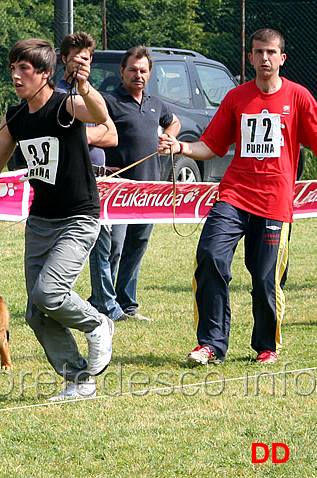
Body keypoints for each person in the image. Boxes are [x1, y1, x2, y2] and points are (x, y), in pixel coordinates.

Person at [0, 38, 114, 401]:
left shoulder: (66, 105)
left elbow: (99, 116)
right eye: (13, 69)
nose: (16, 76)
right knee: (37, 314)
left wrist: (84, 86)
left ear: (45, 74)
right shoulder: (15, 116)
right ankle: (80, 381)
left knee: (49, 294)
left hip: (78, 216)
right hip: (40, 221)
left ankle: (98, 323)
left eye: (25, 69)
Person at [158, 28, 317, 365]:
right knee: (210, 257)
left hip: (275, 203)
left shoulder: (299, 97)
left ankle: (266, 346)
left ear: (282, 58)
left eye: (271, 53)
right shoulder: (236, 98)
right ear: (250, 58)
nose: (265, 59)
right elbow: (212, 145)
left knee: (264, 278)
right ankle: (211, 345)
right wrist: (181, 146)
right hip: (233, 196)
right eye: (258, 52)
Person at [55, 32, 128, 323]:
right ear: (63, 60)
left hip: (101, 178)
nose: (80, 64)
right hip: (72, 181)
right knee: (80, 244)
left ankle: (103, 300)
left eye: (85, 59)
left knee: (109, 243)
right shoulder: (57, 93)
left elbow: (112, 135)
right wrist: (87, 134)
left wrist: (82, 134)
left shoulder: (91, 94)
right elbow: (65, 139)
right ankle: (101, 305)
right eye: (74, 58)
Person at [104, 45, 181, 322]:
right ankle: (105, 302)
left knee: (138, 244)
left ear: (149, 73)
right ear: (122, 72)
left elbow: (174, 122)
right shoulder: (109, 102)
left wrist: (169, 138)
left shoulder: (154, 102)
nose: (138, 75)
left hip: (149, 191)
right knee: (114, 244)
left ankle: (127, 304)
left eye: (143, 71)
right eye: (133, 70)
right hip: (118, 189)